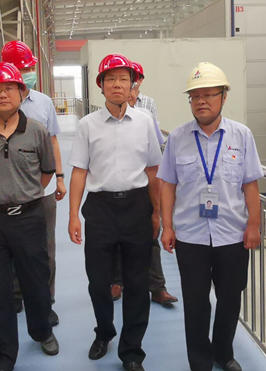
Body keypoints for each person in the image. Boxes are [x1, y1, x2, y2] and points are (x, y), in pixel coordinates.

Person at [158, 62, 263, 371]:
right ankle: (200, 361)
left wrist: (254, 225)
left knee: (230, 299)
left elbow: (250, 185)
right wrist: (167, 227)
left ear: (223, 97)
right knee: (195, 303)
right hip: (191, 236)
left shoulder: (241, 135)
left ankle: (223, 352)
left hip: (232, 234)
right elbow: (168, 186)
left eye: (208, 95)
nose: (200, 101)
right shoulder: (177, 138)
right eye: (194, 96)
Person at [68, 53, 163, 371]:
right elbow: (79, 171)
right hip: (100, 209)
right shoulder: (87, 125)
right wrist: (73, 215)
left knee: (137, 283)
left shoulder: (145, 122)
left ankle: (132, 351)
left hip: (137, 206)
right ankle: (104, 332)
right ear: (101, 86)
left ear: (132, 84)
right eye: (110, 79)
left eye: (123, 79)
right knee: (98, 281)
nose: (117, 84)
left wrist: (157, 212)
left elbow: (153, 170)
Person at [0, 62, 60, 371]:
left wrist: (24, 195)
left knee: (36, 281)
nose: (2, 94)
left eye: (9, 88)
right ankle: (3, 356)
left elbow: (47, 172)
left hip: (29, 217)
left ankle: (42, 331)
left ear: (21, 92)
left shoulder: (37, 131)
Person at [0, 41, 66, 324]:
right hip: (8, 192)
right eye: (24, 68)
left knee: (44, 250)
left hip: (41, 191)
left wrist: (58, 178)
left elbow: (53, 141)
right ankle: (17, 296)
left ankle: (46, 301)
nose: (29, 73)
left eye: (29, 68)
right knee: (12, 248)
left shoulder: (43, 103)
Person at [112, 75, 178, 308]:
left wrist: (157, 206)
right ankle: (117, 281)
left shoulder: (145, 118)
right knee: (115, 239)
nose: (129, 92)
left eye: (132, 87)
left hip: (142, 188)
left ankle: (157, 287)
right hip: (115, 190)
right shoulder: (103, 120)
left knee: (150, 236)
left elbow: (155, 156)